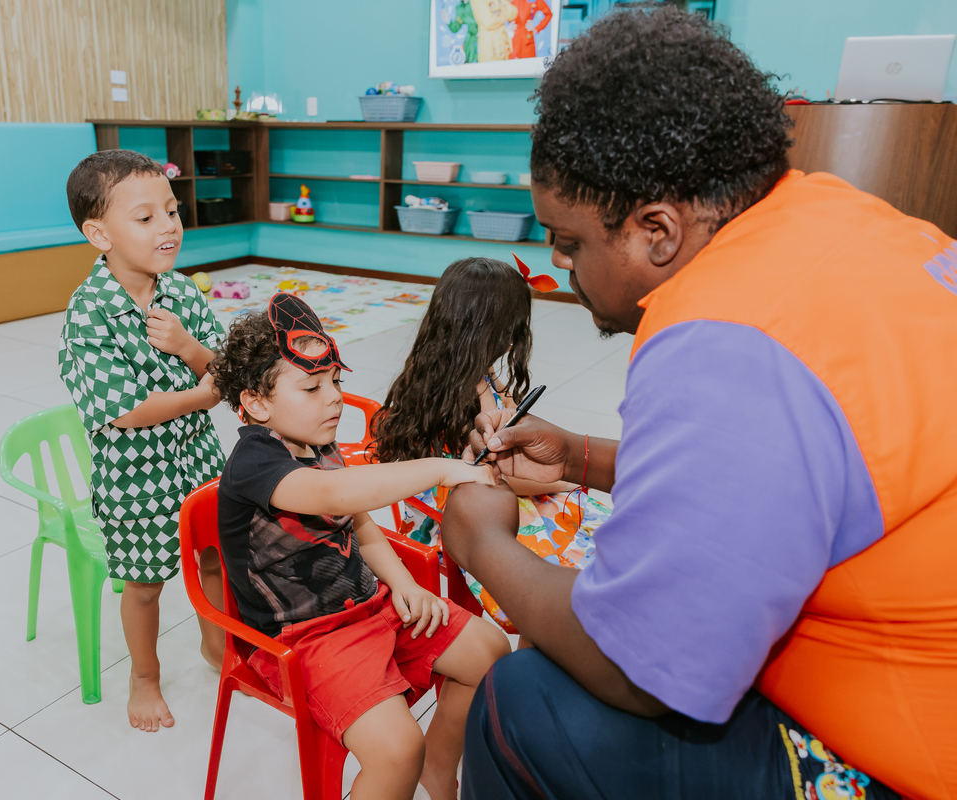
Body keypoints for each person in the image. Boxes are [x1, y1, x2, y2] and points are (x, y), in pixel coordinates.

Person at [441, 7, 957, 800]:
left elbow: (637, 669)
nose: (557, 264)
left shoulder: (725, 339)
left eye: (570, 241)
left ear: (655, 230)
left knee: (529, 699)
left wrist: (485, 548)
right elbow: (797, 479)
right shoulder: (843, 218)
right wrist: (581, 456)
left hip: (912, 760)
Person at [210, 294, 510, 800]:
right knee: (397, 749)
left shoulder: (317, 443)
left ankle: (438, 771)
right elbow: (334, 495)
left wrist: (404, 584)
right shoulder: (255, 463)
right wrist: (442, 467)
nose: (334, 399)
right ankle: (412, 767)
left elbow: (358, 521)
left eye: (336, 383)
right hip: (305, 640)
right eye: (312, 386)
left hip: (369, 607)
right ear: (256, 402)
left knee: (491, 651)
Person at [58, 149, 226, 732]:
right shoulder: (89, 313)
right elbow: (125, 410)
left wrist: (188, 347)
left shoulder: (180, 294)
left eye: (172, 212)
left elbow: (224, 370)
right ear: (98, 233)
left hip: (199, 460)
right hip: (136, 477)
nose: (169, 227)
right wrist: (200, 396)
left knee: (214, 559)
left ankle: (218, 648)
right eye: (147, 217)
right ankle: (145, 677)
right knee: (146, 584)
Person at [372, 256, 611, 633]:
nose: (515, 339)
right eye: (514, 328)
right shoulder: (471, 396)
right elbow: (498, 476)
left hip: (459, 500)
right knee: (586, 572)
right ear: (499, 332)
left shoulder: (445, 374)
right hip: (466, 513)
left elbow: (511, 434)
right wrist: (565, 478)